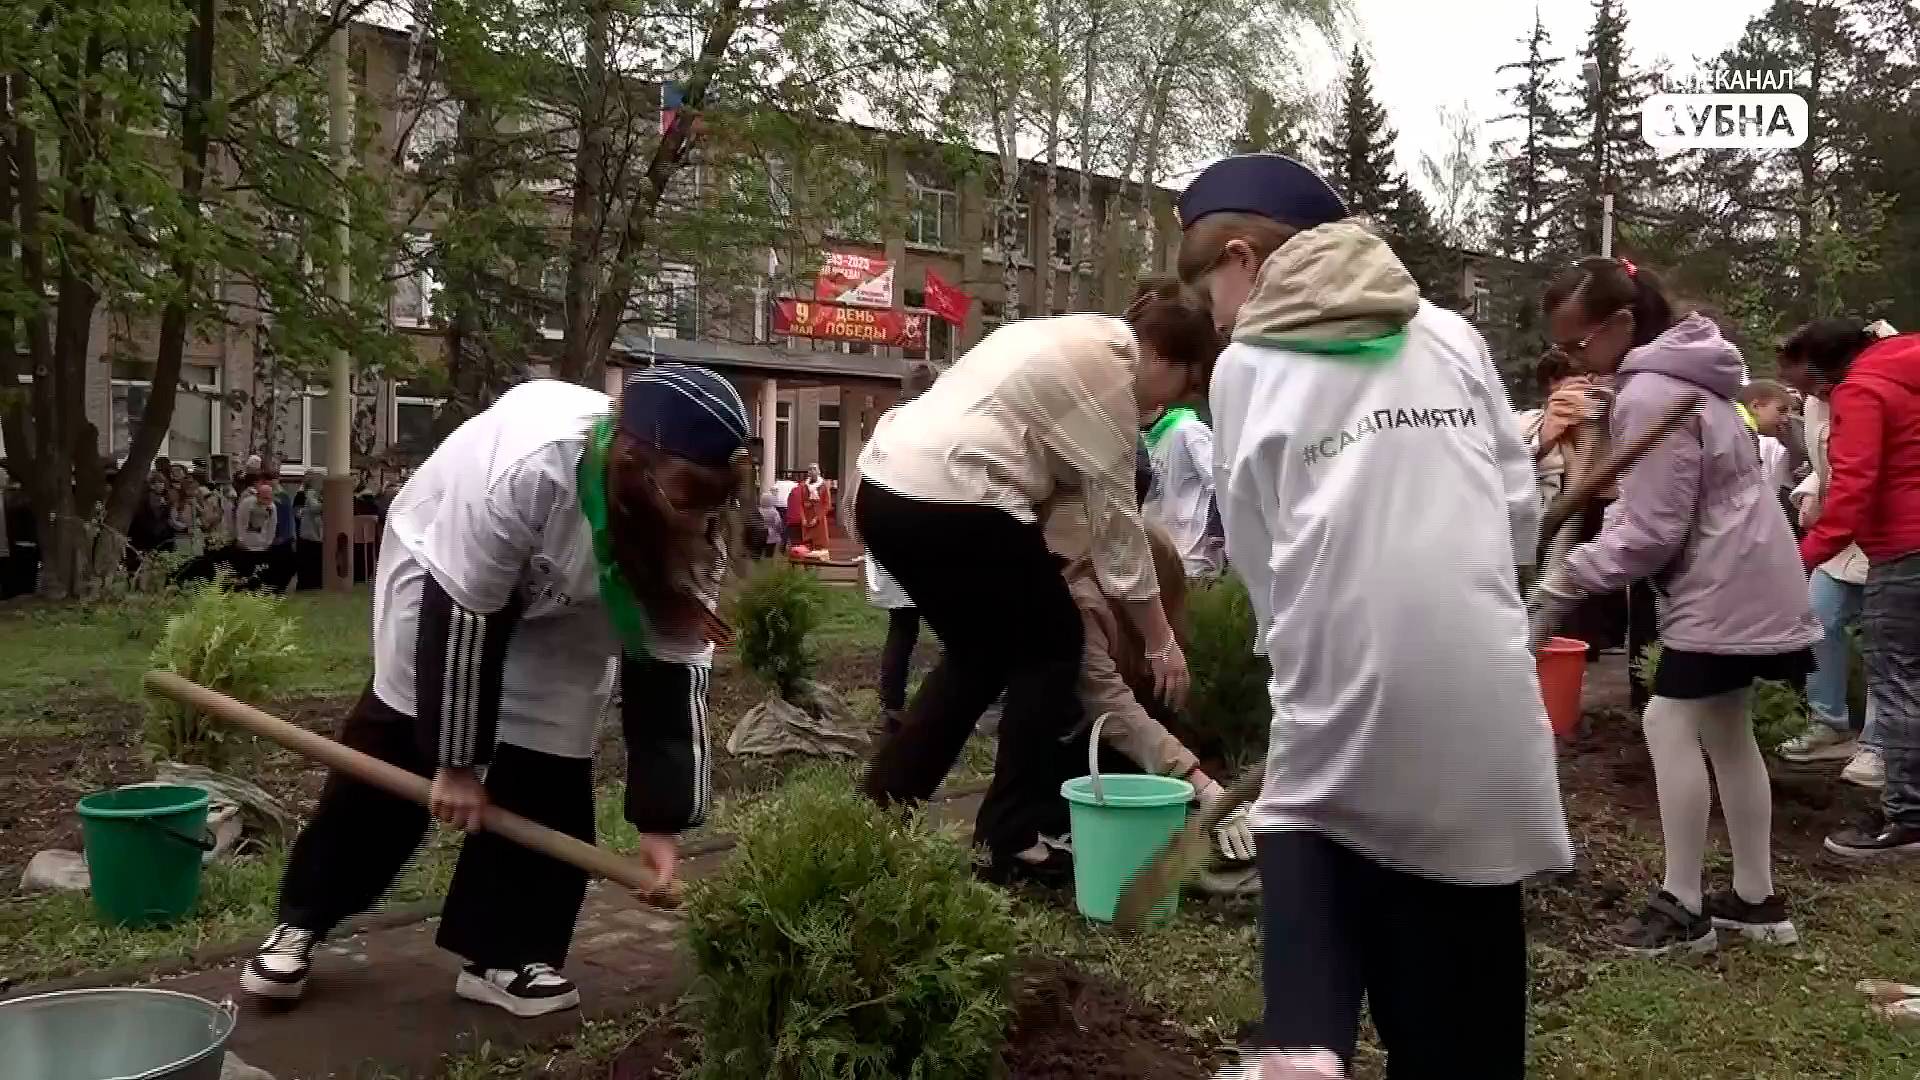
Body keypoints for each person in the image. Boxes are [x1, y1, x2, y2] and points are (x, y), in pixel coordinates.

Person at [1176, 153, 1569, 1080]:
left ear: (1244, 258)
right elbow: (1517, 514)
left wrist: (1294, 662)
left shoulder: (1249, 365)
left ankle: (1305, 1043)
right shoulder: (1450, 333)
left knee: (1310, 823)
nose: (1217, 323)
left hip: (1343, 690)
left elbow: (1264, 557)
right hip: (1488, 695)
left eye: (1211, 297)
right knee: (1462, 934)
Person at [240, 366, 745, 1016]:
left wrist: (663, 821)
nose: (698, 516)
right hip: (445, 571)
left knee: (552, 755)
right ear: (633, 460)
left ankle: (505, 953)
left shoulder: (693, 533)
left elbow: (673, 674)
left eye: (711, 502)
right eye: (685, 496)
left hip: (574, 602)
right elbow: (466, 613)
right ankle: (304, 918)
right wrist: (454, 764)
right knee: (397, 742)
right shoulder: (529, 467)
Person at [852, 280, 1219, 886]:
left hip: (887, 493)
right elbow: (1119, 534)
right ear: (1162, 357)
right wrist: (1158, 641)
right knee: (1053, 646)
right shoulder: (1110, 381)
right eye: (1185, 387)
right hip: (954, 498)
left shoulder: (1064, 334)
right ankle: (1012, 834)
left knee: (981, 655)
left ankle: (885, 803)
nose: (1166, 408)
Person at [1533, 256, 1819, 955]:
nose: (1570, 360)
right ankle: (1756, 900)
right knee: (1725, 726)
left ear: (1623, 324)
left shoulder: (1653, 392)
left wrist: (1566, 578)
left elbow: (1651, 531)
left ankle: (1682, 904)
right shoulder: (1683, 377)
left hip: (1724, 581)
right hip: (1751, 571)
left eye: (1578, 344)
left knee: (1668, 719)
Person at [1777, 319, 1920, 860]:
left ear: (1824, 368)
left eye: (1810, 386)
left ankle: (1908, 817)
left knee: (1900, 681)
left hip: (1904, 548)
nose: (1812, 397)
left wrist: (1800, 559)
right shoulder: (1905, 371)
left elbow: (1856, 486)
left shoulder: (1861, 390)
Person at [1044, 500, 1255, 864]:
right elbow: (1111, 705)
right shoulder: (1082, 605)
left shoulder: (1150, 623)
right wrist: (1200, 784)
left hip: (1125, 734)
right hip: (1071, 740)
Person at [1142, 404, 1223, 579]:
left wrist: (1218, 538)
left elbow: (1219, 484)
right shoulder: (1146, 440)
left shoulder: (1188, 430)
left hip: (1195, 556)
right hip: (1165, 557)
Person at [295, 468, 326, 591]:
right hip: (310, 533)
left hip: (314, 533)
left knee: (313, 559)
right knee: (309, 559)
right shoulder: (311, 493)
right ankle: (308, 584)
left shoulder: (316, 494)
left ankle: (313, 583)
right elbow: (314, 508)